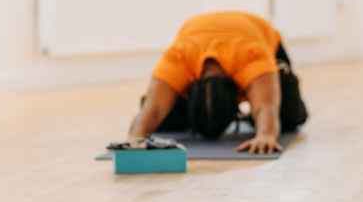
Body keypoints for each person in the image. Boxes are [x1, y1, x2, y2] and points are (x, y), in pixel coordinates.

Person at [127, 11, 308, 153]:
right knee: (162, 118)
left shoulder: (252, 55)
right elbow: (154, 109)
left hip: (257, 35)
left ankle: (274, 82)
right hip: (198, 36)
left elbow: (266, 106)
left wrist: (266, 135)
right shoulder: (179, 56)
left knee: (289, 118)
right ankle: (180, 107)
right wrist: (135, 137)